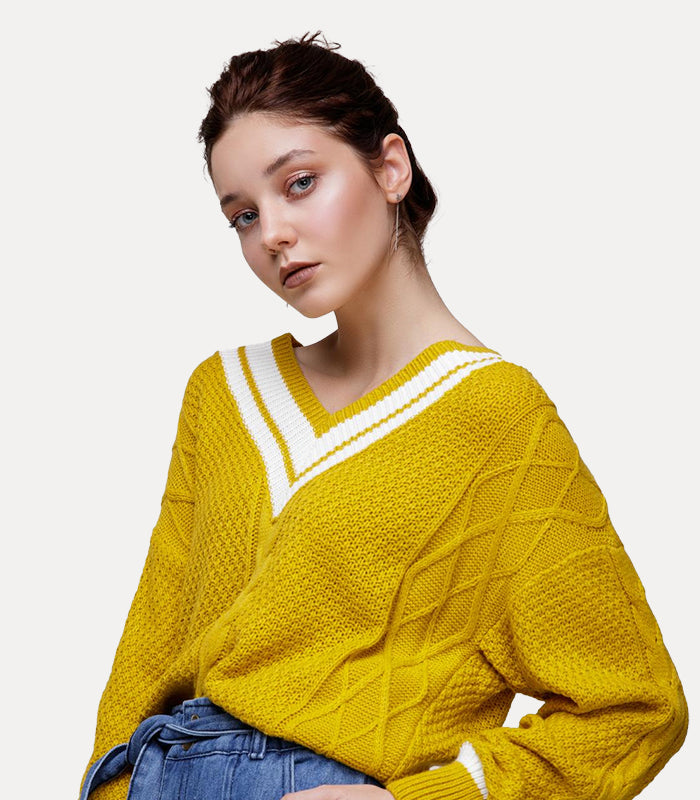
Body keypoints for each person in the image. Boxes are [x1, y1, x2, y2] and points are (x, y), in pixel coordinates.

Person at [79, 30, 688, 800]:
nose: (273, 234)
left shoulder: (497, 417)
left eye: (300, 183)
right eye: (242, 216)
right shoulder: (222, 393)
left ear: (390, 167)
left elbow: (635, 707)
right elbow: (148, 651)